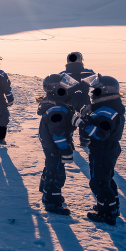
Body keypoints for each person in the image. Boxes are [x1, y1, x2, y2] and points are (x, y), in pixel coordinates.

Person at [77, 75, 125, 225]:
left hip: (102, 148)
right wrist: (89, 116)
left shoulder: (105, 111)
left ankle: (106, 214)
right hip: (108, 148)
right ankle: (112, 207)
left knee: (99, 181)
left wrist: (82, 124)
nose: (92, 94)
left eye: (96, 91)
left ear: (105, 92)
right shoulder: (111, 106)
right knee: (107, 178)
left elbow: (100, 134)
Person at [37, 74, 75, 215]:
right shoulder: (57, 109)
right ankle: (52, 201)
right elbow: (57, 133)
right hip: (55, 146)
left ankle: (48, 193)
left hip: (51, 146)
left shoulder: (56, 105)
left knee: (51, 168)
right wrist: (65, 149)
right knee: (56, 173)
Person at [59, 52, 95, 150]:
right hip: (84, 99)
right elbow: (96, 83)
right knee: (85, 118)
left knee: (69, 119)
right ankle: (85, 139)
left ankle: (68, 137)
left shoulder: (63, 74)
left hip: (69, 100)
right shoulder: (89, 72)